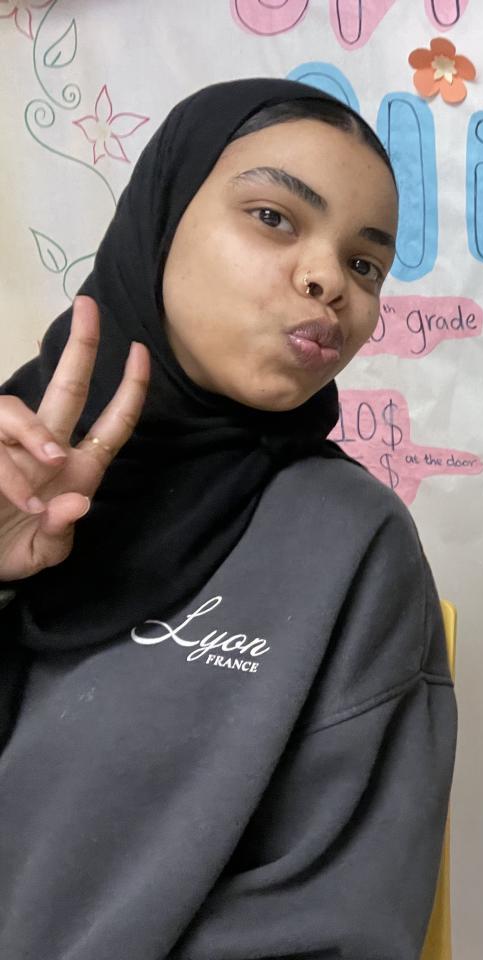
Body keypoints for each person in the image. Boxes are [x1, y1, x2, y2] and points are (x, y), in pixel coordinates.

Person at [0, 79, 456, 959]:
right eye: (275, 217)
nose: (328, 280)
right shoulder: (12, 462)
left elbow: (342, 922)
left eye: (365, 265)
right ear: (162, 217)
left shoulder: (348, 546)